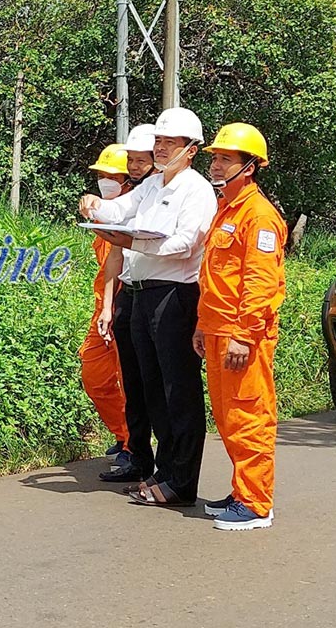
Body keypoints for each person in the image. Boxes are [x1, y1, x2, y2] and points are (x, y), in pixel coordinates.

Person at [86, 107, 216, 508]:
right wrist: (94, 205)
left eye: (169, 143)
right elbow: (119, 212)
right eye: (158, 142)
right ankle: (164, 471)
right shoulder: (152, 185)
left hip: (174, 295)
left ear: (191, 150)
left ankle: (182, 480)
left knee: (178, 388)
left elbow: (186, 244)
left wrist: (134, 243)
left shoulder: (197, 191)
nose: (160, 149)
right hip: (141, 292)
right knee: (151, 387)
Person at [193, 122, 288, 532]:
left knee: (249, 414)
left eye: (225, 158)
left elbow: (260, 284)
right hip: (216, 329)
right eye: (214, 157)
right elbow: (214, 275)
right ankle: (241, 491)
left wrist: (244, 335)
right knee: (228, 415)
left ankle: (256, 504)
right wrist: (201, 324)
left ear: (248, 167)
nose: (215, 164)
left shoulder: (260, 217)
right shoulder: (226, 210)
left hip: (241, 335)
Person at [75, 130, 157, 483]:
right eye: (101, 177)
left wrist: (113, 307)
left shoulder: (140, 208)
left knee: (129, 379)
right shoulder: (109, 211)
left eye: (112, 177)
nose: (104, 182)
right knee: (95, 375)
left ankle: (132, 446)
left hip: (130, 302)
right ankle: (125, 436)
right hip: (108, 305)